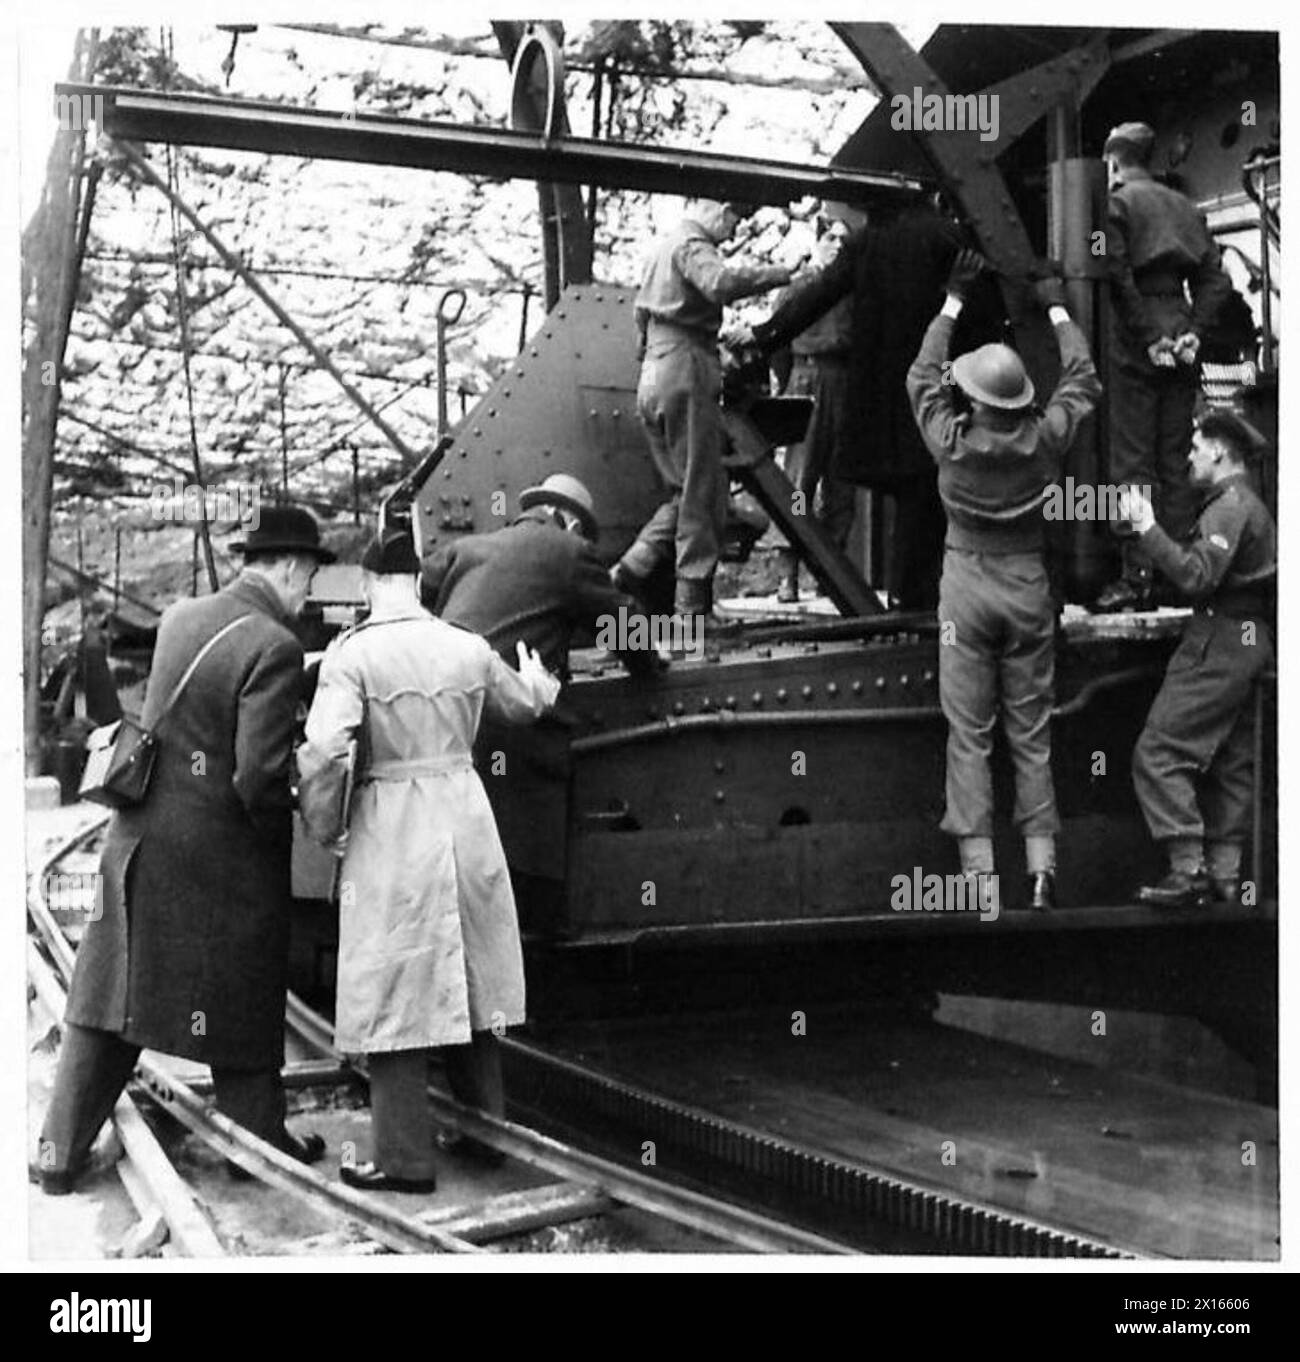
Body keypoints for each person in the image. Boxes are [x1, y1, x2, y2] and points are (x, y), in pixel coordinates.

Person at [37, 506, 335, 1194]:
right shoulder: (276, 645)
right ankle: (255, 1147)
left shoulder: (181, 617)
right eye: (310, 576)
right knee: (245, 993)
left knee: (111, 1001)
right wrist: (302, 796)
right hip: (217, 861)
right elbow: (255, 775)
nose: (309, 591)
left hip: (140, 837)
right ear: (289, 567)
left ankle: (56, 1152)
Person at [298, 530, 560, 1192]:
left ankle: (402, 1160)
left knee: (394, 987)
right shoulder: (466, 646)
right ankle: (486, 1137)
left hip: (394, 822)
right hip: (466, 819)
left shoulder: (351, 656)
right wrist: (539, 683)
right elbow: (525, 704)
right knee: (470, 983)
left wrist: (325, 825)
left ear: (366, 584)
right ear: (419, 584)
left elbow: (326, 752)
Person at [907, 252, 1102, 910]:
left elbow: (920, 376)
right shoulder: (1046, 438)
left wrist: (954, 301)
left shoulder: (951, 442)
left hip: (966, 588)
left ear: (974, 399)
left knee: (969, 735)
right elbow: (1083, 377)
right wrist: (1053, 305)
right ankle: (1042, 868)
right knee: (1031, 734)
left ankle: (979, 875)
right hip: (1028, 589)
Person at [422, 474, 658, 925]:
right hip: (513, 731)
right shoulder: (568, 551)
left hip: (447, 720)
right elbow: (624, 624)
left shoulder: (468, 550)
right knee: (527, 873)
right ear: (570, 521)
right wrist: (650, 664)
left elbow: (423, 591)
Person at [749, 200, 996, 610]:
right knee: (920, 496)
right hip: (917, 386)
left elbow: (810, 303)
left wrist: (761, 339)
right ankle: (907, 596)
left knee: (812, 482)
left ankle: (870, 589)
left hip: (869, 394)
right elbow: (983, 317)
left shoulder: (864, 247)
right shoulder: (948, 240)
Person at [613, 199, 793, 620]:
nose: (733, 229)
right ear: (718, 209)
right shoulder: (692, 243)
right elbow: (719, 283)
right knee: (703, 490)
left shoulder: (660, 249)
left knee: (681, 490)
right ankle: (692, 612)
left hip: (653, 373)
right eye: (736, 217)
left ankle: (627, 571)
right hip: (685, 368)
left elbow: (641, 319)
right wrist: (781, 273)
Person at [1126, 412, 1275, 908]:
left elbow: (1196, 577)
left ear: (1218, 452)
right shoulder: (1239, 505)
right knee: (1231, 761)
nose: (1189, 455)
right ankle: (1227, 881)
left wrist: (1147, 529)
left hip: (1221, 642)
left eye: (1196, 446)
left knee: (1158, 751)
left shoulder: (1230, 508)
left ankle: (1188, 871)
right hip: (1246, 640)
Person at [1093, 120, 1233, 612]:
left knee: (1132, 460)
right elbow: (1217, 280)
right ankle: (1177, 571)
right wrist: (1193, 329)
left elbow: (1114, 272)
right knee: (1175, 458)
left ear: (1112, 162)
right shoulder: (1186, 208)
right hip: (1179, 324)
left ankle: (1137, 576)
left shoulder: (1115, 203)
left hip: (1134, 336)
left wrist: (1148, 337)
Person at [771, 214, 858, 604]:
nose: (838, 245)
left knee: (843, 477)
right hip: (806, 380)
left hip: (846, 380)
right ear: (817, 241)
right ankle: (786, 575)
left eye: (844, 240)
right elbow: (777, 342)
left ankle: (830, 576)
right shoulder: (798, 287)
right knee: (798, 481)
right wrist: (789, 386)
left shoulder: (855, 289)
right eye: (831, 238)